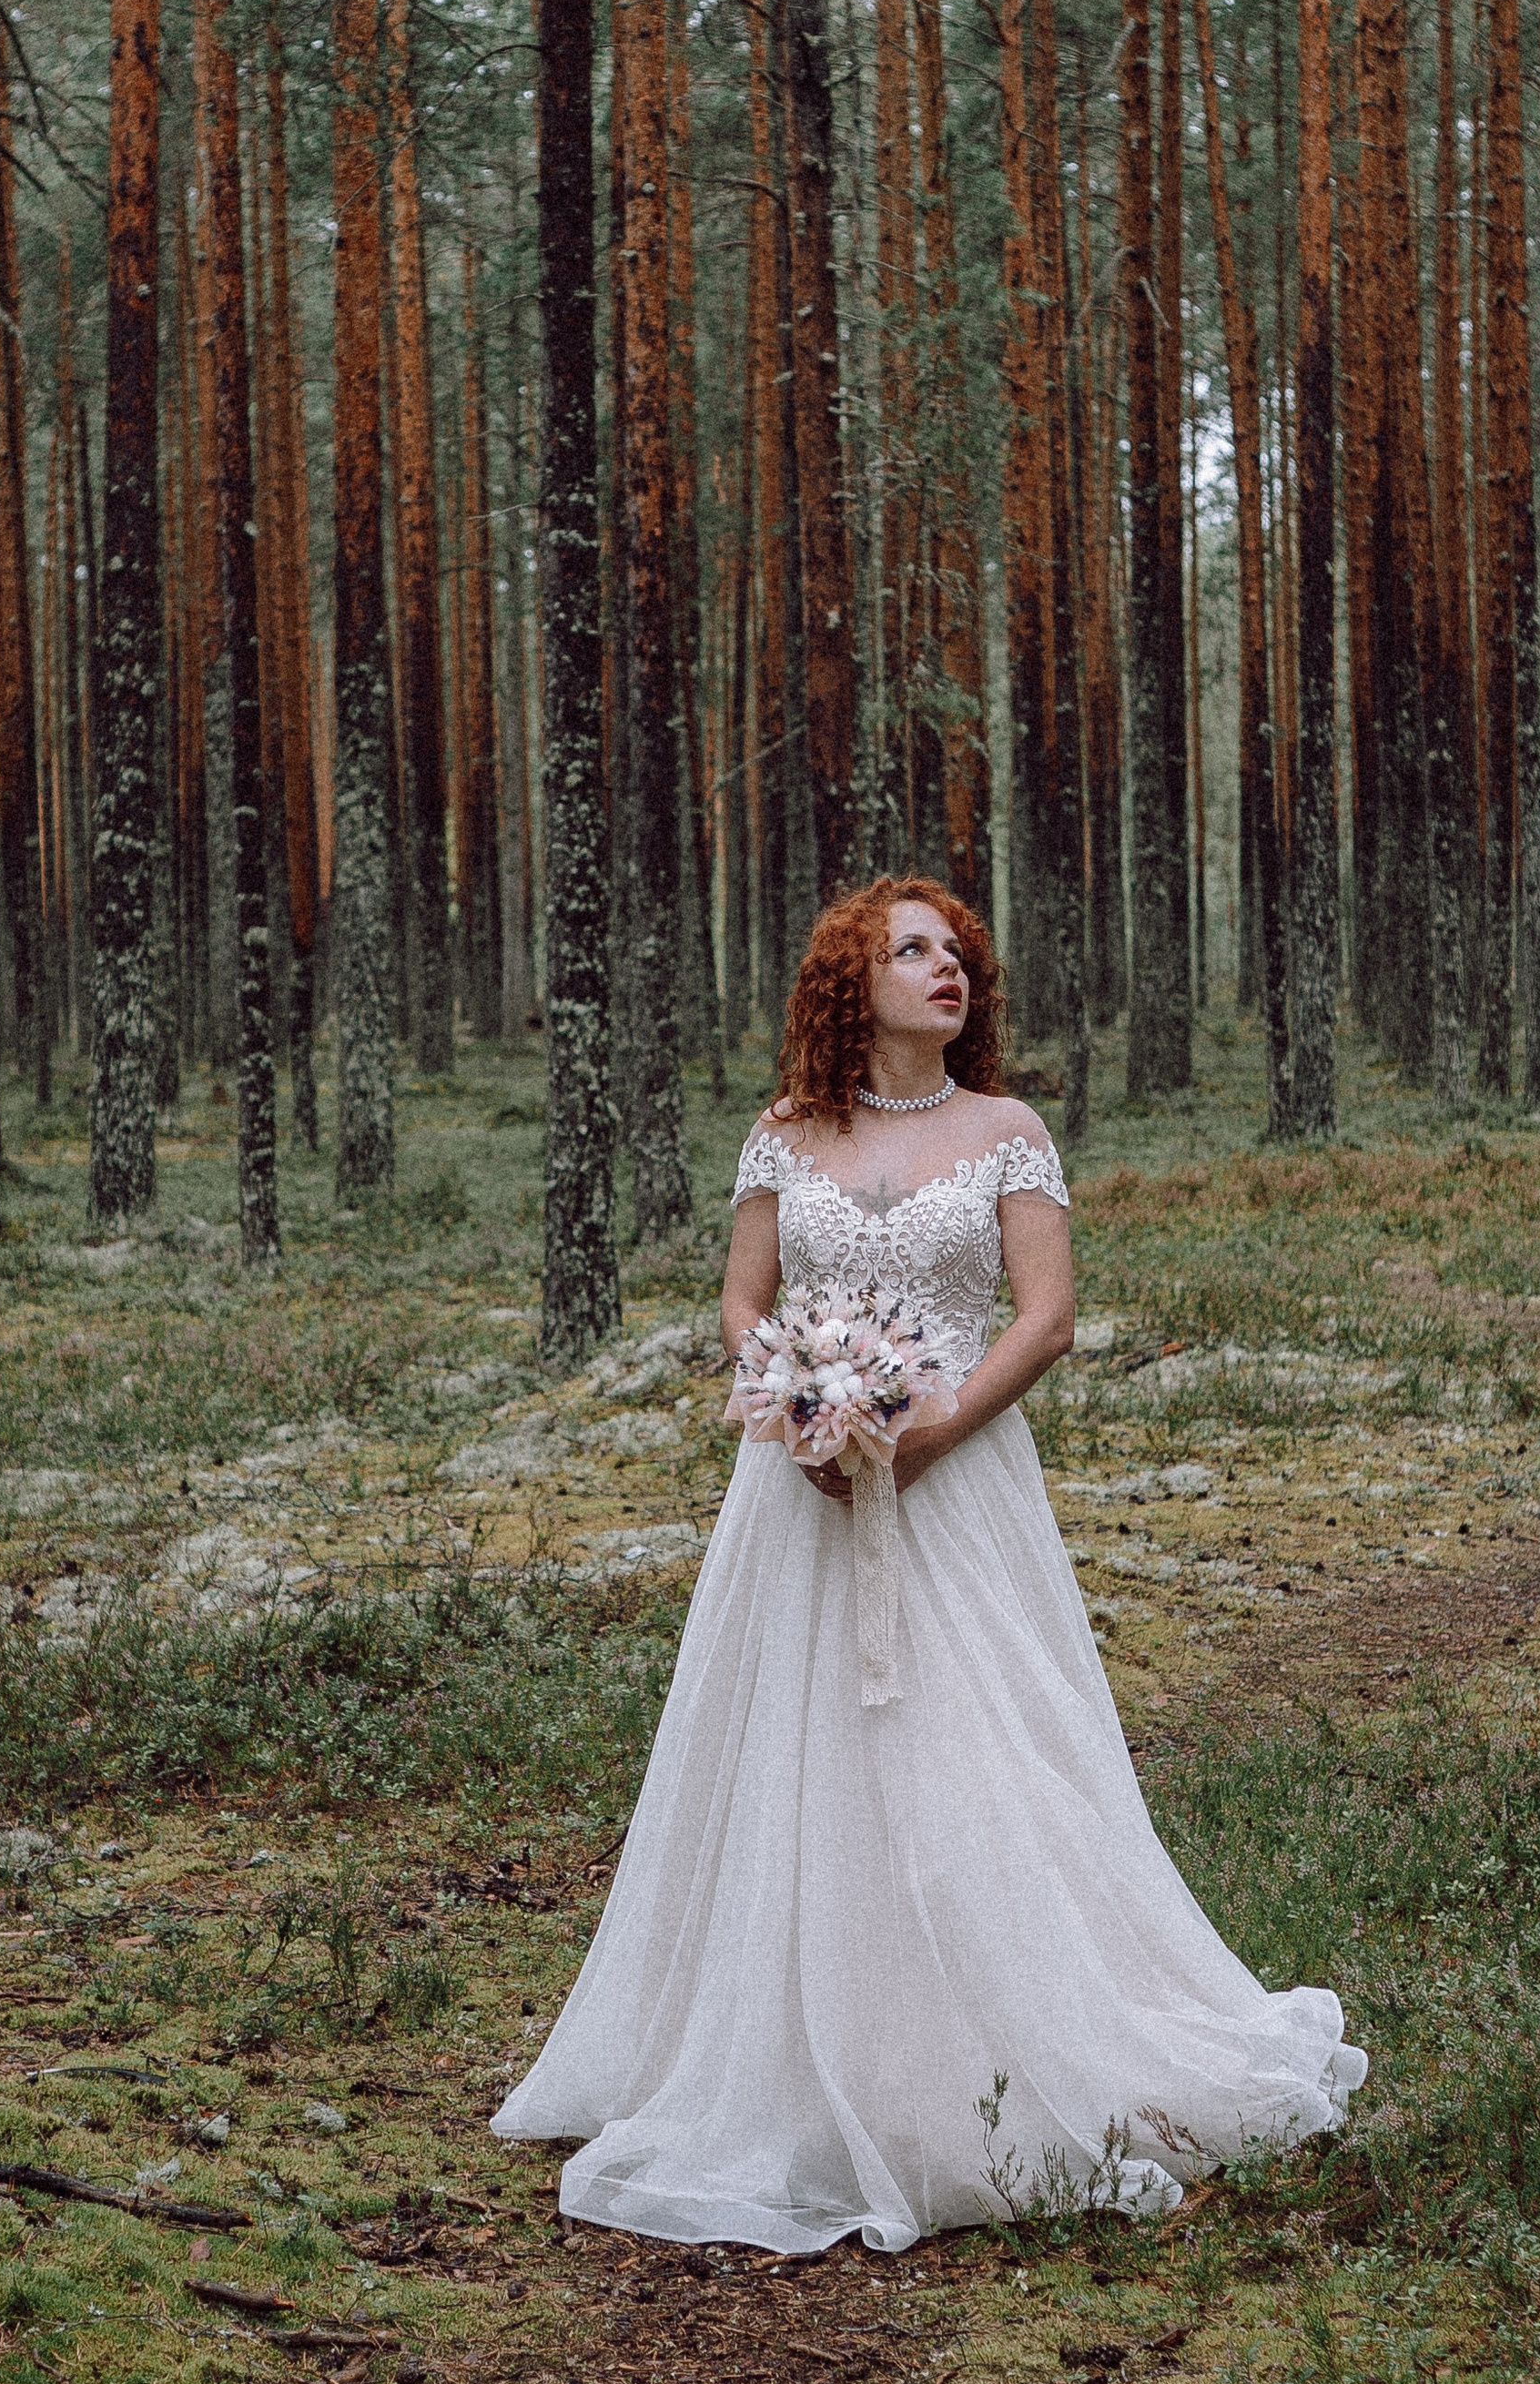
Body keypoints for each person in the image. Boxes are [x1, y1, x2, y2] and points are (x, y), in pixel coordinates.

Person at [492, 878, 1365, 2251]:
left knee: (984, 1749)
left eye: (957, 954)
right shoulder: (785, 1137)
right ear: (855, 980)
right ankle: (786, 2056)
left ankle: (999, 2044)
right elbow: (741, 1297)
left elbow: (1050, 1317)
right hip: (801, 1495)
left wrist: (929, 1427)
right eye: (911, 951)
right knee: (797, 1755)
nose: (945, 969)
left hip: (959, 1487)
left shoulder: (1007, 1134)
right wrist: (789, 1394)